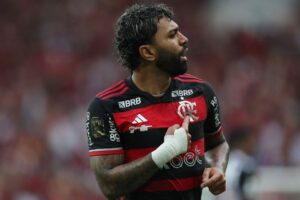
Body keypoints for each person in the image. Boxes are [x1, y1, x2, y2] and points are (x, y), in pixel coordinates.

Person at [85, 3, 229, 200]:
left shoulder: (200, 92)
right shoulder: (107, 106)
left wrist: (217, 168)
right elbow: (109, 185)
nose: (184, 39)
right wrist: (165, 152)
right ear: (148, 53)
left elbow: (218, 144)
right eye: (172, 35)